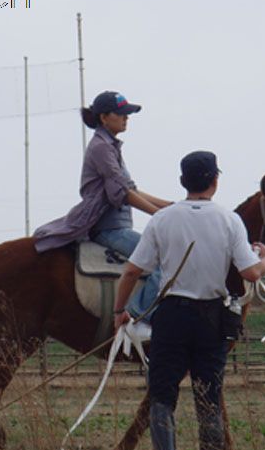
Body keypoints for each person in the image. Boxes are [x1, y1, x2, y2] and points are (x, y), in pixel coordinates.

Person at [112, 150, 265, 450]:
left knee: (162, 397)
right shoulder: (229, 220)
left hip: (170, 318)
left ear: (183, 182)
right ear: (215, 181)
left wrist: (121, 310)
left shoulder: (164, 220)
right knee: (209, 401)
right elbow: (249, 273)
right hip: (211, 320)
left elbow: (132, 272)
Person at [33, 90, 171, 318]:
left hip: (119, 225)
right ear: (104, 118)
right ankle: (136, 317)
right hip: (109, 229)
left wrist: (170, 206)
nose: (126, 118)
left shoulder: (110, 146)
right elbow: (124, 193)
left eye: (127, 114)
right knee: (163, 261)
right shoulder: (101, 148)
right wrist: (159, 214)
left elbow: (132, 189)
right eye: (121, 114)